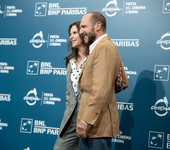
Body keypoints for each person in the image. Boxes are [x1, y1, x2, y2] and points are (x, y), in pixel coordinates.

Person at [53, 20, 127, 150]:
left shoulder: (97, 54)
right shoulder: (69, 61)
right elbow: (69, 92)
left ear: (83, 34)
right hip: (71, 118)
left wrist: (117, 81)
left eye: (75, 32)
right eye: (70, 34)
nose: (71, 36)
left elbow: (112, 86)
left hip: (91, 115)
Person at [76, 12, 129, 150]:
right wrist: (113, 83)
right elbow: (122, 82)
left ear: (97, 26)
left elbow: (100, 90)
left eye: (83, 27)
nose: (80, 31)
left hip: (97, 126)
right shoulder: (98, 48)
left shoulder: (104, 47)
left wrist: (85, 120)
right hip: (92, 127)